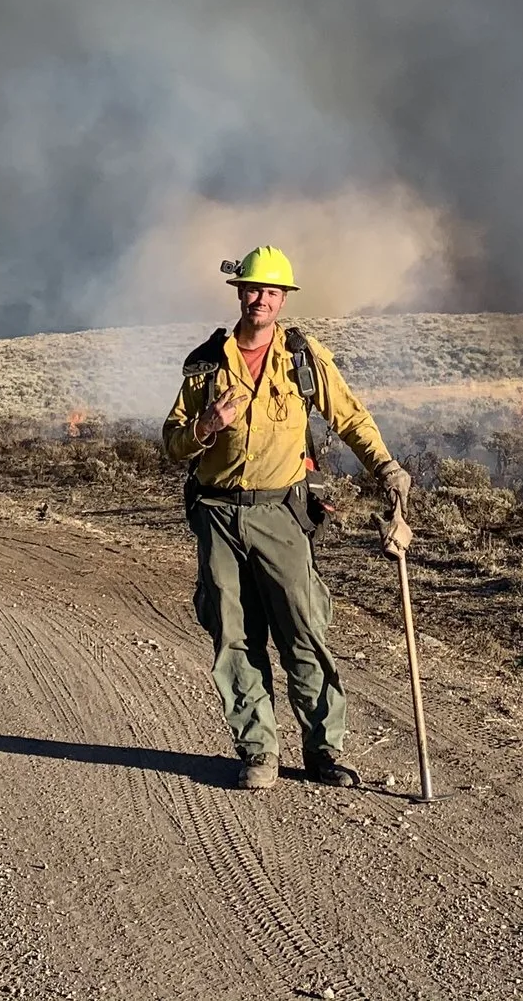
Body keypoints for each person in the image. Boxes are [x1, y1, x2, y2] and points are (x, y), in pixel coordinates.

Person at [162, 246, 412, 791]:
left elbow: (348, 416)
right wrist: (206, 425)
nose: (262, 299)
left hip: (281, 513)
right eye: (254, 289)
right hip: (218, 514)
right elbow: (172, 441)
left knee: (302, 630)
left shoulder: (302, 356)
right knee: (233, 634)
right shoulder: (205, 363)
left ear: (283, 298)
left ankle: (325, 750)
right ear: (239, 293)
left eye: (272, 292)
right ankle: (258, 750)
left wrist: (387, 467)